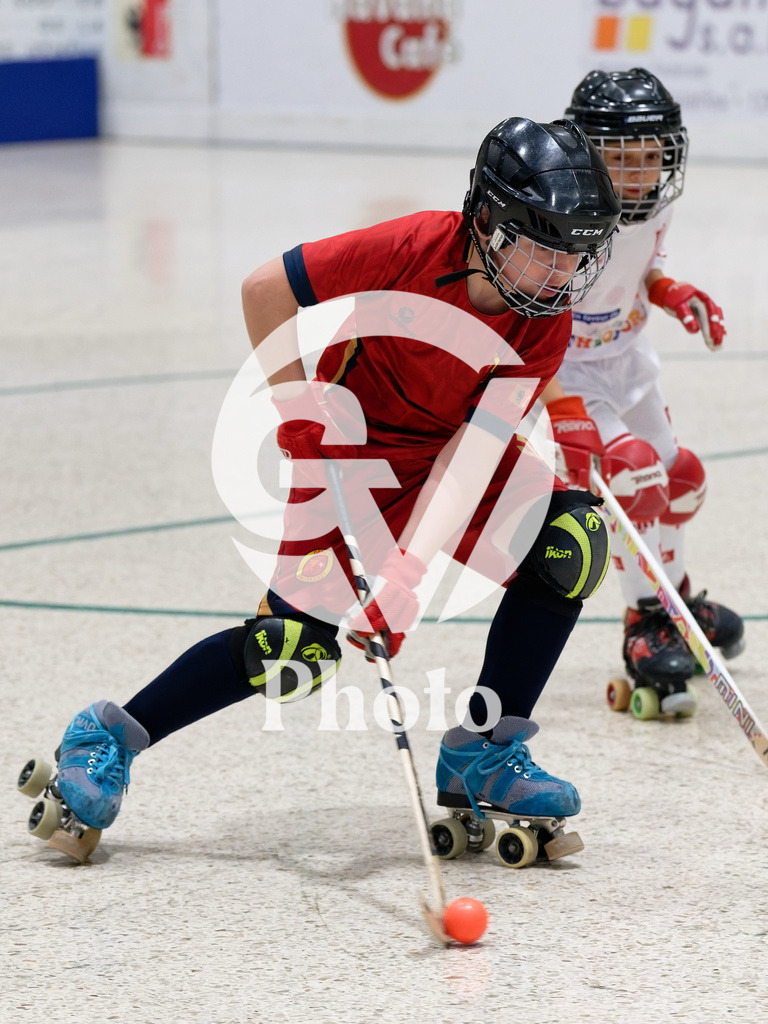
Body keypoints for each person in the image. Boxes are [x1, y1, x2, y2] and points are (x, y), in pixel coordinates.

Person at [43, 117, 621, 853]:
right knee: (291, 649)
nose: (561, 275)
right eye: (544, 249)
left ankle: (486, 751)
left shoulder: (546, 322)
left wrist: (405, 580)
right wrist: (298, 419)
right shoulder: (412, 246)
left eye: (575, 255)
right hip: (345, 455)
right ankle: (108, 736)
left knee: (573, 541)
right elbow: (264, 292)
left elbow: (473, 454)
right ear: (489, 223)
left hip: (446, 457)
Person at [541, 68, 744, 717]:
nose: (637, 174)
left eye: (651, 157)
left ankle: (678, 597)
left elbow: (643, 268)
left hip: (629, 364)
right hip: (571, 373)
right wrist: (555, 408)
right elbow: (529, 311)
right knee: (631, 479)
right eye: (619, 159)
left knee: (678, 478)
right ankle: (643, 621)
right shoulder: (560, 212)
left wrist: (673, 292)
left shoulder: (655, 203)